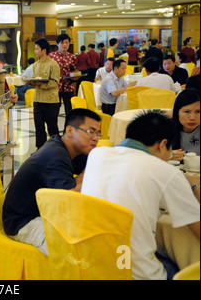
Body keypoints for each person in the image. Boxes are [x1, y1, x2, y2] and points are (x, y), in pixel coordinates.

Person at [81, 111, 200, 280]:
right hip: (134, 274)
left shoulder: (97, 154)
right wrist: (193, 184)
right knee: (180, 264)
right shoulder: (166, 172)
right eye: (169, 151)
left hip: (92, 266)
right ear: (163, 144)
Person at [3, 108, 101, 255]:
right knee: (76, 248)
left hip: (46, 211)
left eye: (98, 133)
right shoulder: (54, 155)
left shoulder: (72, 148)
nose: (96, 138)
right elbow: (70, 195)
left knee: (95, 229)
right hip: (24, 221)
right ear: (70, 130)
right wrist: (92, 167)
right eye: (90, 131)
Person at [29, 38, 60, 149]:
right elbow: (35, 80)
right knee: (39, 126)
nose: (35, 51)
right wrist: (31, 82)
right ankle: (40, 150)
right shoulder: (35, 65)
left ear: (44, 50)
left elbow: (55, 82)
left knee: (52, 127)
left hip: (50, 101)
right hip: (37, 100)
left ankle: (56, 149)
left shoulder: (53, 64)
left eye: (37, 49)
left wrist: (40, 84)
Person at [49, 33, 77, 115]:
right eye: (62, 43)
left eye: (66, 42)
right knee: (54, 110)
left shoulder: (72, 57)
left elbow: (74, 71)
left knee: (69, 111)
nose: (64, 45)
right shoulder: (51, 56)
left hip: (68, 87)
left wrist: (75, 76)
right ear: (57, 44)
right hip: (55, 87)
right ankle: (54, 128)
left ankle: (67, 127)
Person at [171, 89, 200, 160]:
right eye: (187, 112)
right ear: (177, 112)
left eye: (198, 111)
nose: (192, 118)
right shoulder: (165, 130)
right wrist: (166, 156)